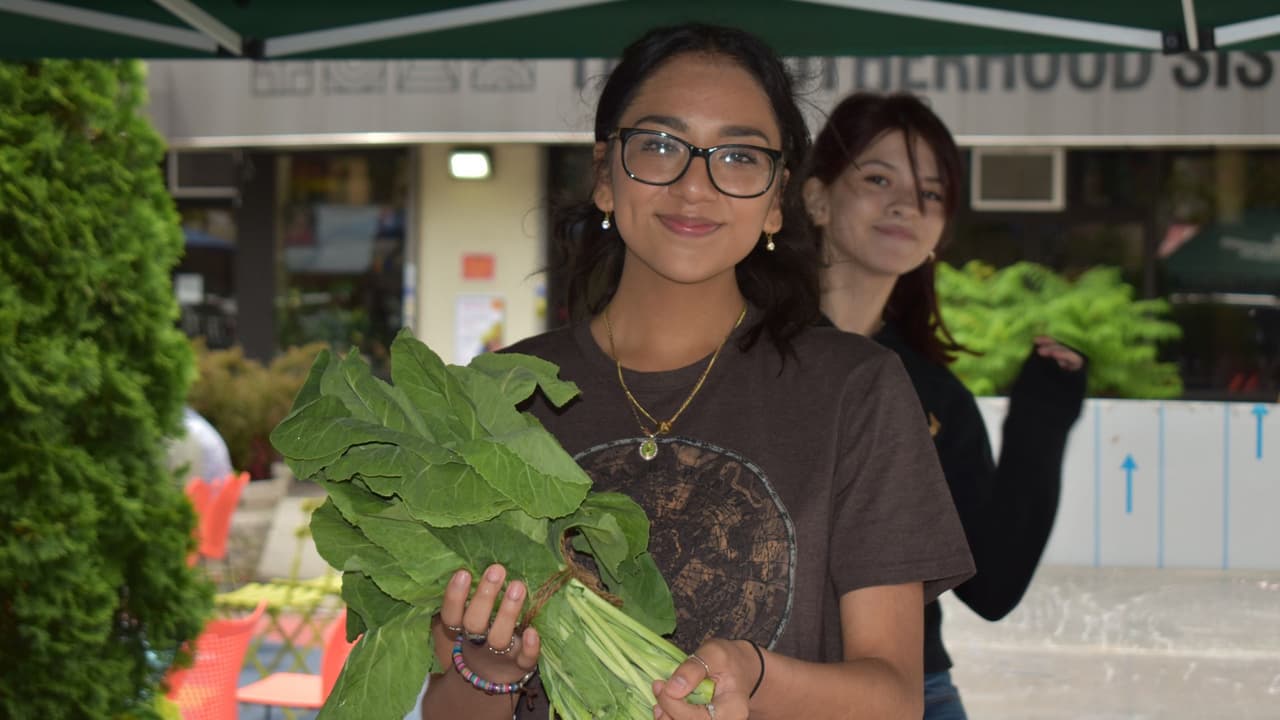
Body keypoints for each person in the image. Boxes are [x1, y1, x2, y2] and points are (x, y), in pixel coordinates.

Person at [420, 25, 974, 720]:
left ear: (776, 199)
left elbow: (895, 698)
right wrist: (491, 664)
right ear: (604, 175)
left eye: (739, 156)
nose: (694, 185)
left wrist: (758, 679)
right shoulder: (500, 394)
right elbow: (448, 710)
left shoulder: (855, 387)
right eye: (659, 146)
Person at [801, 92, 1088, 719]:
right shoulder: (741, 352)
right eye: (879, 179)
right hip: (759, 688)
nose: (908, 204)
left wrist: (1042, 417)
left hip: (913, 694)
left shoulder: (935, 396)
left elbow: (993, 586)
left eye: (931, 194)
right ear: (816, 198)